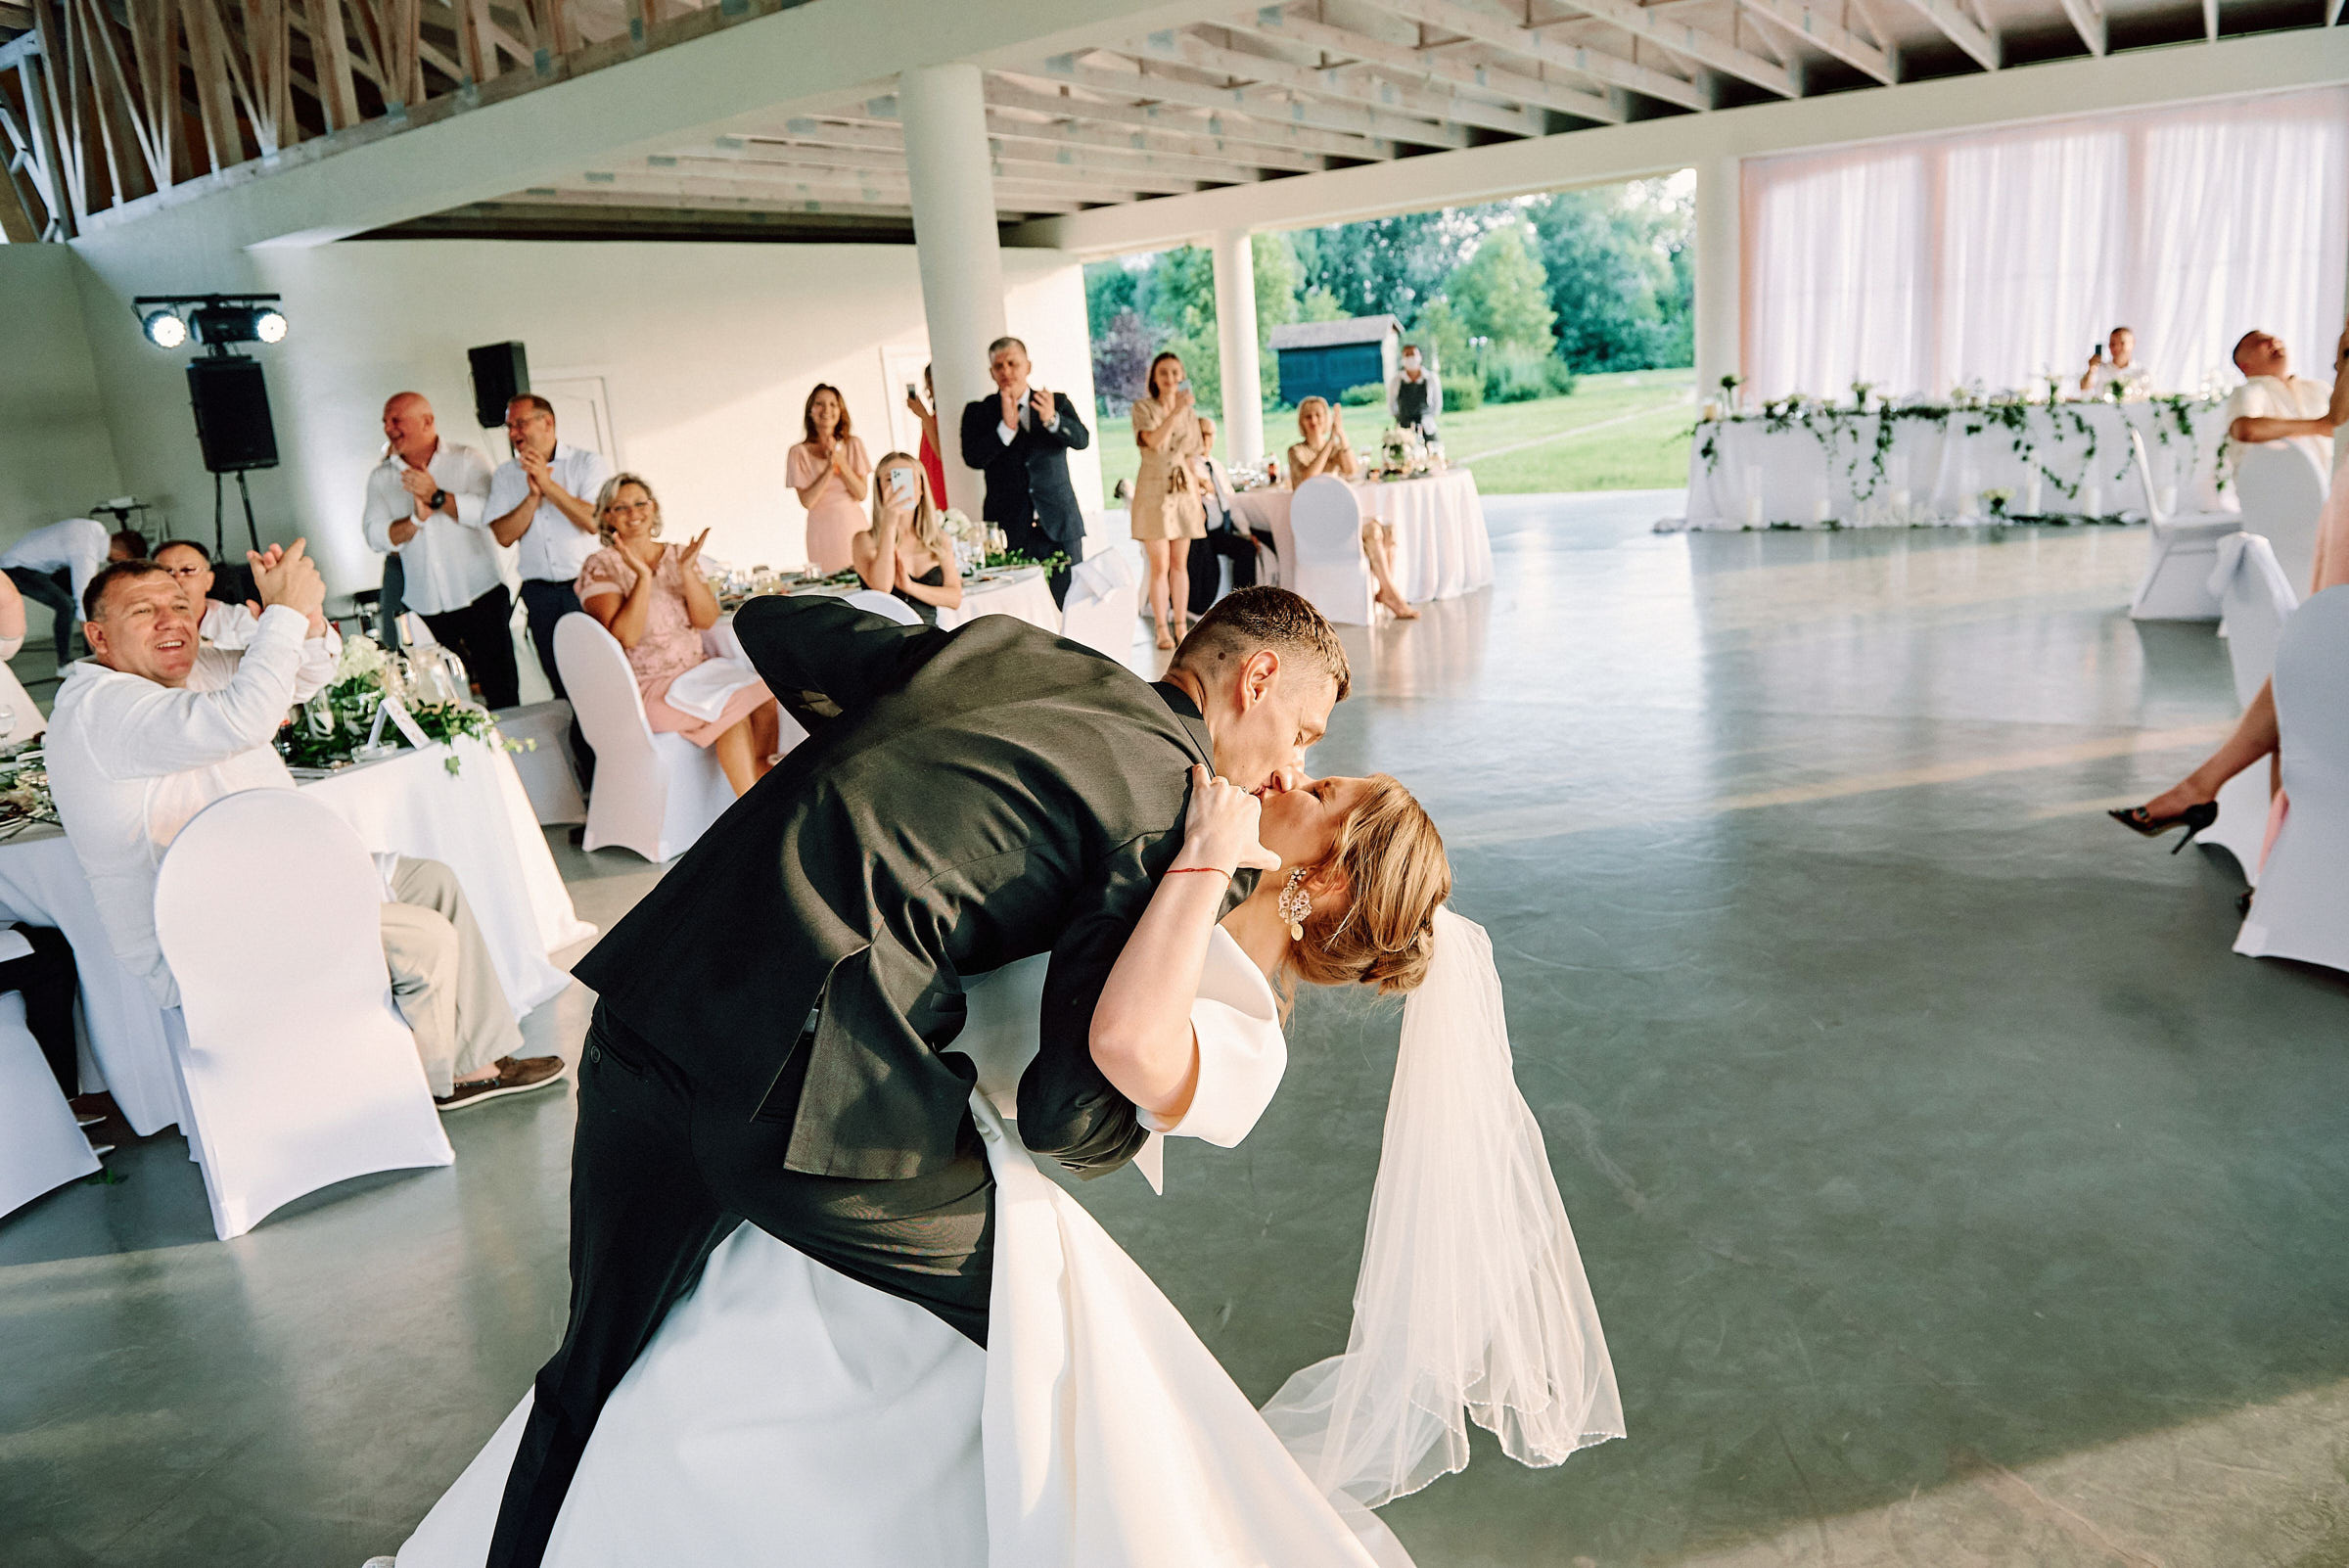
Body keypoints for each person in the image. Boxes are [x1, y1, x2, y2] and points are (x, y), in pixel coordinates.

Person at [392, 604, 1621, 1568]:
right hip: (810, 1093)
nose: (1305, 766)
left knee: (591, 1363)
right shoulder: (1160, 827)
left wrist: (874, 770)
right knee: (1057, 1343)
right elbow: (1067, 1115)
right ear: (1256, 682)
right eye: (1310, 741)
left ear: (1333, 888)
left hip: (649, 1006)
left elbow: (794, 632)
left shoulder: (1019, 655)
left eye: (1324, 779)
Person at [45, 548, 560, 1111]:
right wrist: (281, 611)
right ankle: (408, 1091)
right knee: (423, 937)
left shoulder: (192, 670)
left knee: (431, 881)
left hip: (279, 888)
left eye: (179, 604)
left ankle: (471, 1063)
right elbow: (246, 716)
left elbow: (307, 675)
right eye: (144, 612)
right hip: (209, 935)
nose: (172, 621)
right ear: (98, 636)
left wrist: (305, 618)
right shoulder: (102, 708)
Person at [2112, 319, 2349, 848]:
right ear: (2244, 363)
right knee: (2309, 665)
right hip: (2321, 523)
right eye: (2340, 362)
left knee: (2305, 664)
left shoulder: (2313, 389)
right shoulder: (2254, 392)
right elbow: (2246, 431)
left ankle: (2221, 804)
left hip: (2332, 519)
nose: (2275, 342)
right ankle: (2274, 854)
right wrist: (2324, 424)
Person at [575, 475, 780, 798]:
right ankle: (755, 807)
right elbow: (625, 637)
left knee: (769, 689)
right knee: (733, 709)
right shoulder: (600, 565)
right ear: (606, 516)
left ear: (653, 508)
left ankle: (761, 784)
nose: (634, 513)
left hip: (699, 673)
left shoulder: (677, 554)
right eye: (621, 507)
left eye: (641, 503)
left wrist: (686, 573)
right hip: (649, 687)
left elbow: (706, 619)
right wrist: (643, 577)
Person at [486, 394, 612, 785]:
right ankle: (588, 781)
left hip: (588, 588)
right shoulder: (506, 475)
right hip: (540, 593)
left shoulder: (587, 463)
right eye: (510, 427)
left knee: (602, 679)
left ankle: (616, 768)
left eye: (520, 424)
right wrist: (532, 495)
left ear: (548, 424)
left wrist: (548, 484)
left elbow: (593, 521)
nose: (514, 434)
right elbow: (504, 535)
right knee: (562, 686)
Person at [362, 392, 516, 709]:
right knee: (440, 700)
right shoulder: (381, 477)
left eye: (396, 420)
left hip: (480, 594)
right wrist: (416, 519)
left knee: (502, 692)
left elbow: (491, 513)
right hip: (424, 604)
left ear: (427, 421)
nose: (389, 428)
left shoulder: (466, 459)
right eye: (385, 422)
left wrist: (437, 497)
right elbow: (376, 536)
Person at [958, 336, 1091, 608]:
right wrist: (1005, 430)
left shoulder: (1056, 402)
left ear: (1027, 366)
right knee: (1019, 607)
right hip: (1009, 529)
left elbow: (1081, 440)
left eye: (1012, 363)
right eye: (999, 366)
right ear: (991, 373)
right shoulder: (979, 412)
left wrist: (1052, 420)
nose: (1006, 371)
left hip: (1059, 524)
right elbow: (973, 458)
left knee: (1070, 603)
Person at [1291, 397, 1419, 621]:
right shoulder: (1296, 451)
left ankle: (1384, 590)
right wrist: (1329, 443)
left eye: (1319, 415)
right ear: (1301, 421)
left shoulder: (1336, 447)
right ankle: (1391, 595)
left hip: (1339, 519)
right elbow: (1308, 477)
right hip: (1315, 524)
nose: (1314, 420)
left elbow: (1351, 469)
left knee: (1386, 529)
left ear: (1326, 419)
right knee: (1371, 530)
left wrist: (1341, 435)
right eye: (1308, 416)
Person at [1128, 350, 1211, 650]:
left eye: (1175, 372)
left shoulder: (1189, 414)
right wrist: (1175, 411)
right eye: (1164, 372)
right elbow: (1153, 441)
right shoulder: (1143, 408)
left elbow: (1191, 457)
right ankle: (1161, 627)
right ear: (1154, 377)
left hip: (1183, 490)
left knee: (1181, 564)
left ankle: (1181, 626)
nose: (1170, 378)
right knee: (1159, 564)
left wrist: (1198, 500)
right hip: (1153, 490)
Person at [2, 519, 144, 664]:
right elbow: (83, 595)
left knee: (95, 597)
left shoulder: (95, 529)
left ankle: (93, 654)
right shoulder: (86, 550)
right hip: (16, 568)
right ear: (123, 555)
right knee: (67, 606)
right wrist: (95, 640)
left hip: (40, 566)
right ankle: (65, 664)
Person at [852, 452, 962, 626]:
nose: (900, 487)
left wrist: (910, 587)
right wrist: (889, 525)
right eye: (890, 479)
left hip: (928, 637)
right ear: (879, 488)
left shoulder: (939, 538)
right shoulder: (864, 540)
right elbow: (881, 588)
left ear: (921, 488)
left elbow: (954, 598)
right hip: (885, 639)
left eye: (908, 479)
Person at [787, 385, 871, 576]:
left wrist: (840, 463)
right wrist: (828, 468)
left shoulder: (853, 444)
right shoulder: (798, 453)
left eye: (833, 404)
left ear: (840, 411)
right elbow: (807, 501)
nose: (827, 410)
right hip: (822, 532)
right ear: (810, 410)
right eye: (820, 404)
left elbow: (861, 493)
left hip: (853, 527)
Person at [1189, 414, 1264, 615]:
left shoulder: (1216, 465)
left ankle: (1243, 606)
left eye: (1210, 434)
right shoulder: (1189, 466)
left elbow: (1232, 501)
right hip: (1202, 533)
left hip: (1223, 530)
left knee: (1248, 547)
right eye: (1201, 434)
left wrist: (1246, 532)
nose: (1206, 439)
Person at [154, 539, 261, 652]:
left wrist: (207, 644)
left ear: (208, 580)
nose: (177, 579)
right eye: (166, 572)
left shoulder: (239, 618)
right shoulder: (142, 624)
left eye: (188, 570)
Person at [903, 363, 950, 510]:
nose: (932, 387)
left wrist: (924, 415)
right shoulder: (932, 419)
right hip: (931, 492)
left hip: (946, 493)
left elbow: (942, 454)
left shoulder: (943, 419)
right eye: (930, 382)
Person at [2079, 326, 2150, 397]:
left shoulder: (2142, 372)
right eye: (2113, 343)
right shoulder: (2099, 369)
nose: (2116, 347)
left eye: (2122, 343)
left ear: (2132, 343)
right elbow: (2084, 389)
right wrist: (2092, 370)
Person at [1388, 343, 1441, 438]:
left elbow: (1437, 404)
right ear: (1402, 359)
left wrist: (1428, 418)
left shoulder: (1430, 378)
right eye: (1407, 355)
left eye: (1413, 354)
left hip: (1427, 427)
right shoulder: (1396, 380)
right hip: (1403, 429)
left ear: (1420, 356)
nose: (1410, 358)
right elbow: (1391, 405)